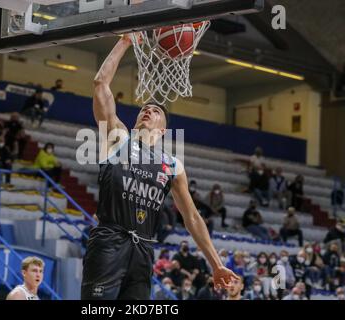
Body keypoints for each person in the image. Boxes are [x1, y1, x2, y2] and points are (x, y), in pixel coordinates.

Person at [80, 34, 237, 300]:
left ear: (163, 130)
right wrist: (125, 42)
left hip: (143, 249)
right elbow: (100, 83)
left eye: (155, 111)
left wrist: (216, 263)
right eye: (145, 108)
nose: (148, 110)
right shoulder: (118, 138)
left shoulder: (172, 165)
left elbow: (192, 218)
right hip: (109, 241)